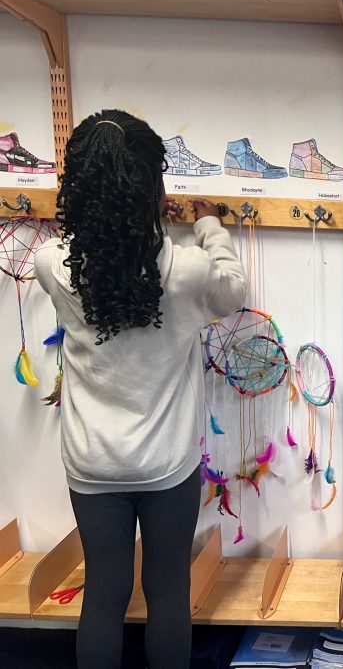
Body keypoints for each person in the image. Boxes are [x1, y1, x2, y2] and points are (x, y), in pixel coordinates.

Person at [35, 109, 246, 669]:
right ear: (153, 185)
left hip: (91, 463)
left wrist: (134, 224)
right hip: (165, 464)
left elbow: (105, 261)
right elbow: (232, 291)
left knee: (104, 594)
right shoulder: (188, 270)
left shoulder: (52, 264)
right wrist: (207, 225)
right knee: (168, 591)